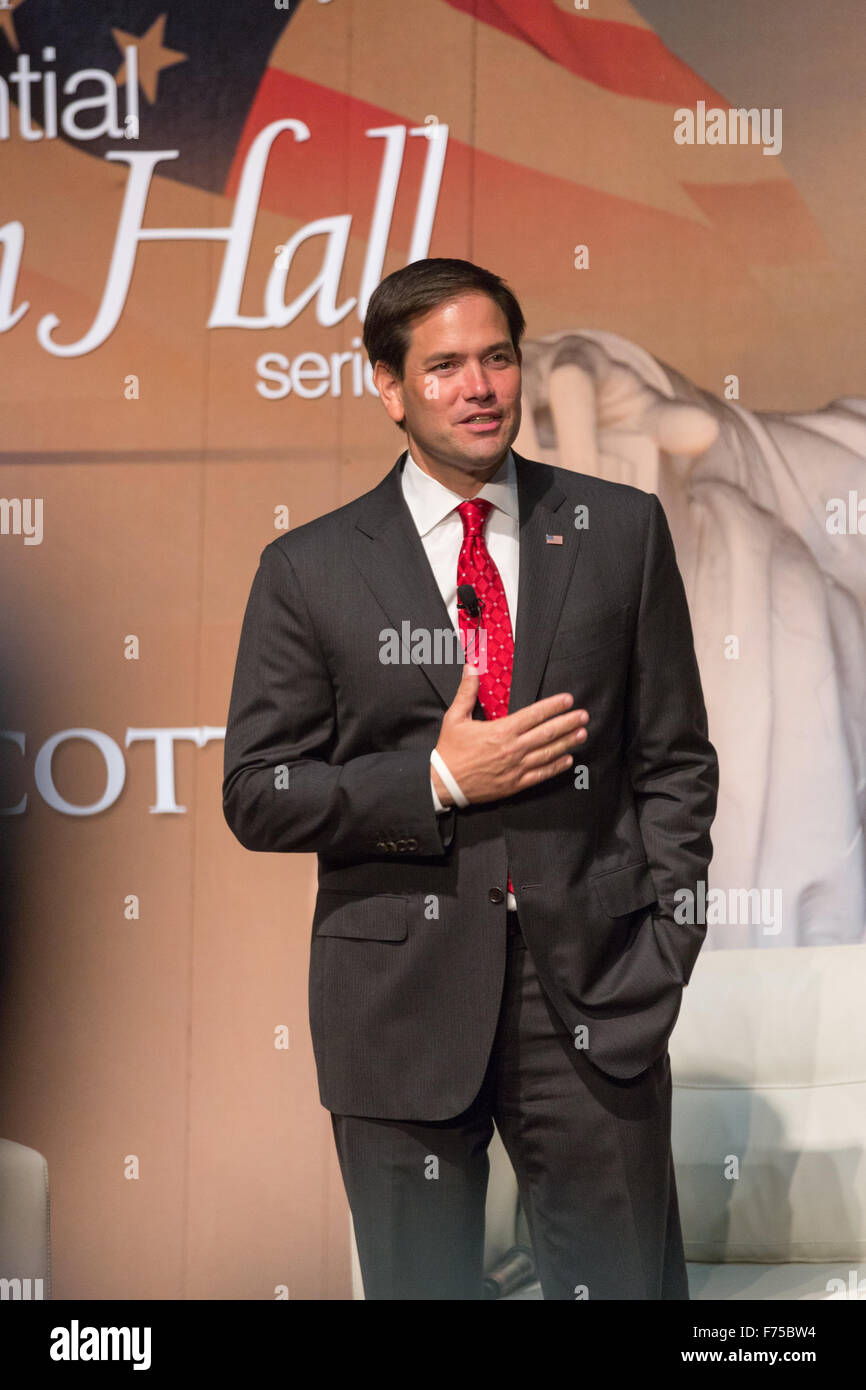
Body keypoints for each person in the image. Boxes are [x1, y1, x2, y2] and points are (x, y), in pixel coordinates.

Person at [222, 257, 719, 1300]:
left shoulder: (615, 532)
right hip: (396, 1011)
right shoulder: (307, 568)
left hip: (593, 996)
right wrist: (436, 779)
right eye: (443, 365)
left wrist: (663, 942)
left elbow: (673, 758)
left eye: (496, 356)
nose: (479, 385)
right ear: (389, 388)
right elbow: (260, 791)